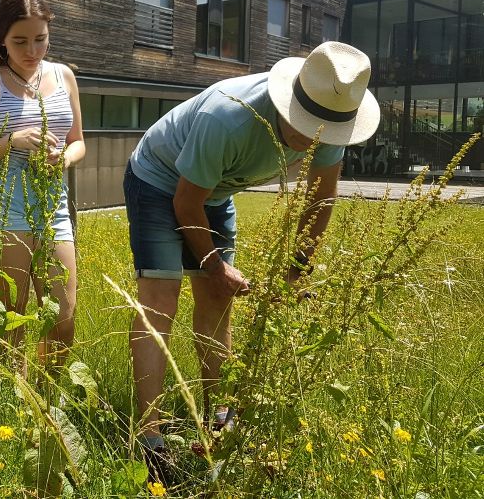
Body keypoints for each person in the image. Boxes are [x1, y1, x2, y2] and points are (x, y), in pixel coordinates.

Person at [125, 42, 380, 479]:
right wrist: (214, 264)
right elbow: (187, 203)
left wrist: (297, 271)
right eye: (306, 127)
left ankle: (217, 419)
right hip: (160, 180)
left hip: (214, 191)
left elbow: (321, 199)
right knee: (160, 300)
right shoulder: (227, 117)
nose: (312, 140)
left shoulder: (332, 116)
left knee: (218, 303)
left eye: (324, 132)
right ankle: (149, 440)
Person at [0, 0, 85, 372]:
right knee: (10, 319)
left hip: (53, 211)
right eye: (20, 42)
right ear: (1, 38)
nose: (32, 51)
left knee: (62, 318)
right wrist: (10, 142)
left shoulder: (63, 75)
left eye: (40, 39)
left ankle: (47, 402)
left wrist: (61, 156)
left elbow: (79, 142)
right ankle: (11, 405)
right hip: (4, 210)